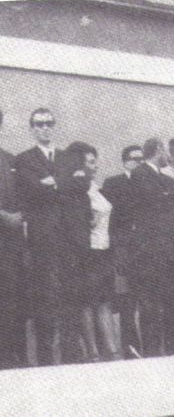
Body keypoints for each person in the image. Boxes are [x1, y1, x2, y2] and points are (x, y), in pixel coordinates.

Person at [130, 138, 174, 357]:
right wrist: (171, 194)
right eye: (165, 150)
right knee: (151, 298)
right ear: (157, 151)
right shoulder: (140, 174)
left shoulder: (163, 177)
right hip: (152, 248)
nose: (167, 155)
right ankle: (153, 348)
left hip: (171, 247)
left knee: (172, 295)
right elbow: (155, 198)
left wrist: (171, 194)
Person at [15, 108, 67, 365]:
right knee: (45, 296)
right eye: (39, 124)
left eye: (49, 123)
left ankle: (72, 356)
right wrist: (58, 184)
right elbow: (31, 190)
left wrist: (51, 183)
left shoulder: (68, 157)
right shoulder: (24, 159)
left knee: (69, 294)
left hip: (67, 237)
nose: (44, 128)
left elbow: (75, 188)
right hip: (41, 239)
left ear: (54, 126)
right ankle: (47, 359)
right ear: (32, 128)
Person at [66, 142, 121, 362]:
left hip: (104, 250)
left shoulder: (95, 188)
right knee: (87, 302)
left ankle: (111, 348)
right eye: (91, 162)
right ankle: (93, 351)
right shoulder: (74, 190)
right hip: (86, 252)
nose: (96, 166)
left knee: (104, 300)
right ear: (80, 165)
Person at [101, 145, 144, 358]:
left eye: (142, 159)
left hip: (143, 248)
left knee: (143, 296)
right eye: (134, 159)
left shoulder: (148, 182)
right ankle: (129, 345)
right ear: (125, 161)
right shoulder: (113, 183)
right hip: (122, 248)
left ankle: (147, 345)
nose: (139, 162)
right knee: (125, 297)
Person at [0, 110, 26, 368]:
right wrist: (3, 216)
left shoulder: (10, 160)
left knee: (12, 300)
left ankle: (11, 359)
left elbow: (26, 197)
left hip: (10, 247)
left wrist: (21, 215)